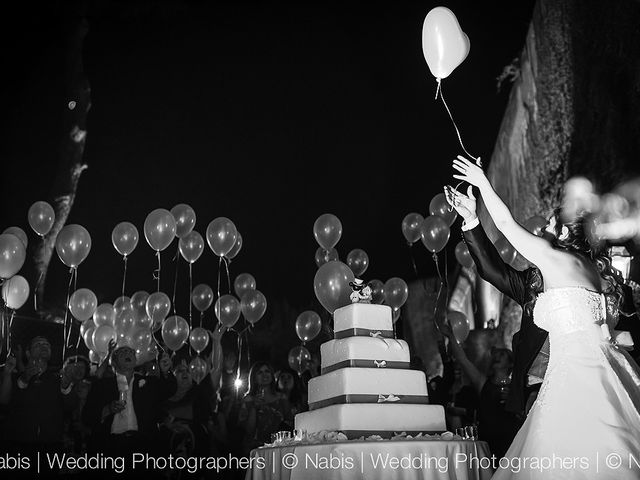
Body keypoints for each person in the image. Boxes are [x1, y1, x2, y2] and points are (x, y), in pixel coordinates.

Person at [448, 155, 640, 478]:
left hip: (570, 384)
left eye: (551, 223)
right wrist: (472, 219)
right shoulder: (594, 271)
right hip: (608, 374)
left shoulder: (552, 259)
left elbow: (507, 225)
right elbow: (495, 271)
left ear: (565, 233)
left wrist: (482, 183)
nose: (545, 227)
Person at [82, 345, 176, 457]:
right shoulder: (101, 386)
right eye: (122, 352)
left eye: (131, 352)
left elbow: (169, 390)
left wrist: (166, 372)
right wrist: (108, 409)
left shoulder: (149, 383)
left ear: (135, 360)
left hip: (144, 446)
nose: (127, 353)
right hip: (110, 447)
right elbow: (87, 417)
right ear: (114, 363)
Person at [238, 361, 292, 455]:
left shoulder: (281, 398)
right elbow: (248, 430)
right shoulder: (248, 399)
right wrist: (254, 407)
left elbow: (289, 421)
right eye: (260, 372)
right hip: (255, 448)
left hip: (278, 446)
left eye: (267, 371)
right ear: (254, 377)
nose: (264, 375)